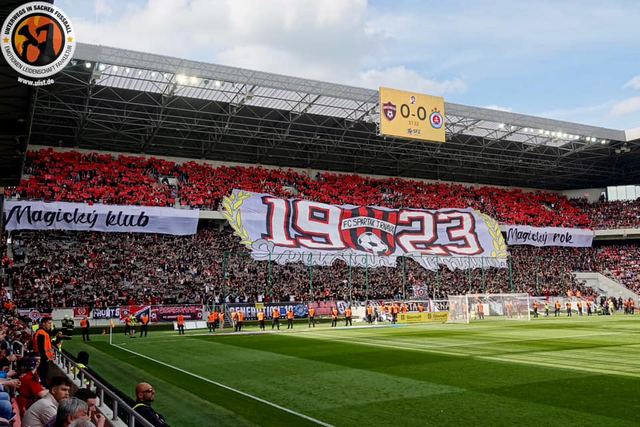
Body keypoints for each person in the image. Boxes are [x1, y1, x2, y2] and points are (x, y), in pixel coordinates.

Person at [34, 317, 55, 385]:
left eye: (50, 323)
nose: (50, 325)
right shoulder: (42, 334)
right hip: (43, 359)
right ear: (43, 323)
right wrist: (46, 358)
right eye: (49, 323)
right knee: (42, 375)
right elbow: (41, 348)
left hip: (42, 358)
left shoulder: (40, 332)